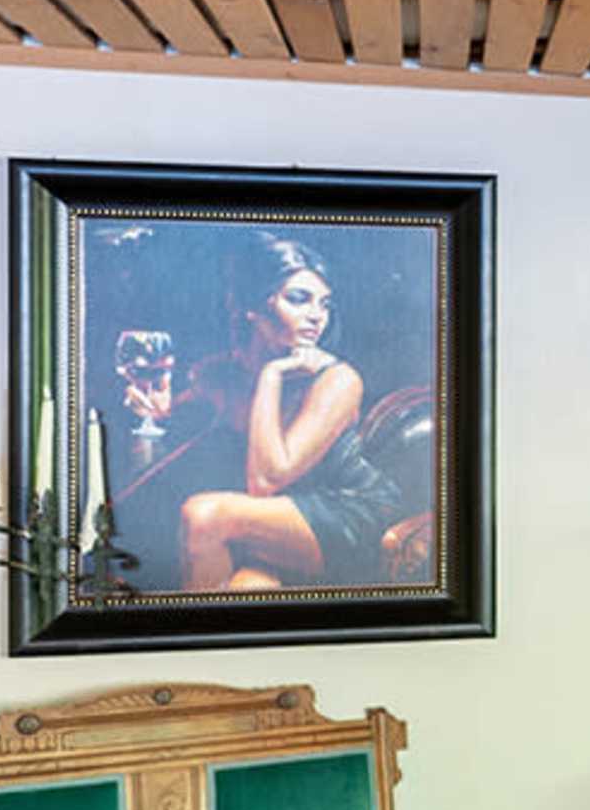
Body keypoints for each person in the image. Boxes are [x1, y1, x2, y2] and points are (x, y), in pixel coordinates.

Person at [169, 234, 411, 590]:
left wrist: (272, 375)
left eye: (325, 304)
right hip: (281, 521)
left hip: (351, 514)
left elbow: (266, 480)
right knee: (244, 592)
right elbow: (175, 410)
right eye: (299, 299)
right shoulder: (225, 373)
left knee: (202, 515)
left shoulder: (338, 380)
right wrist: (158, 405)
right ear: (254, 307)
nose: (316, 316)